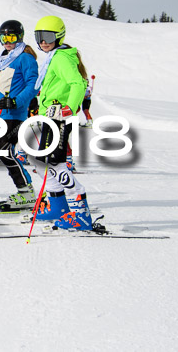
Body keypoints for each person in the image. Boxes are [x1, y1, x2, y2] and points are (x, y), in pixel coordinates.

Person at [32, 16, 103, 232]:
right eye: (39, 37)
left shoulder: (61, 57)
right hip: (50, 116)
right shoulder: (54, 56)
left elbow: (78, 84)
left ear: (59, 36)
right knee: (45, 162)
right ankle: (58, 206)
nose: (43, 42)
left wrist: (69, 108)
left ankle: (80, 213)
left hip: (59, 118)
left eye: (48, 37)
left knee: (56, 162)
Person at [0, 20, 39, 211]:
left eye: (11, 37)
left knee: (5, 151)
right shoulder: (6, 58)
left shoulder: (25, 58)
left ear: (19, 37)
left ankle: (27, 192)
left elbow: (33, 86)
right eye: (4, 37)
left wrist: (15, 101)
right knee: (5, 151)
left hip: (15, 113)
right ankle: (25, 191)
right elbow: (5, 87)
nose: (7, 41)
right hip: (3, 113)